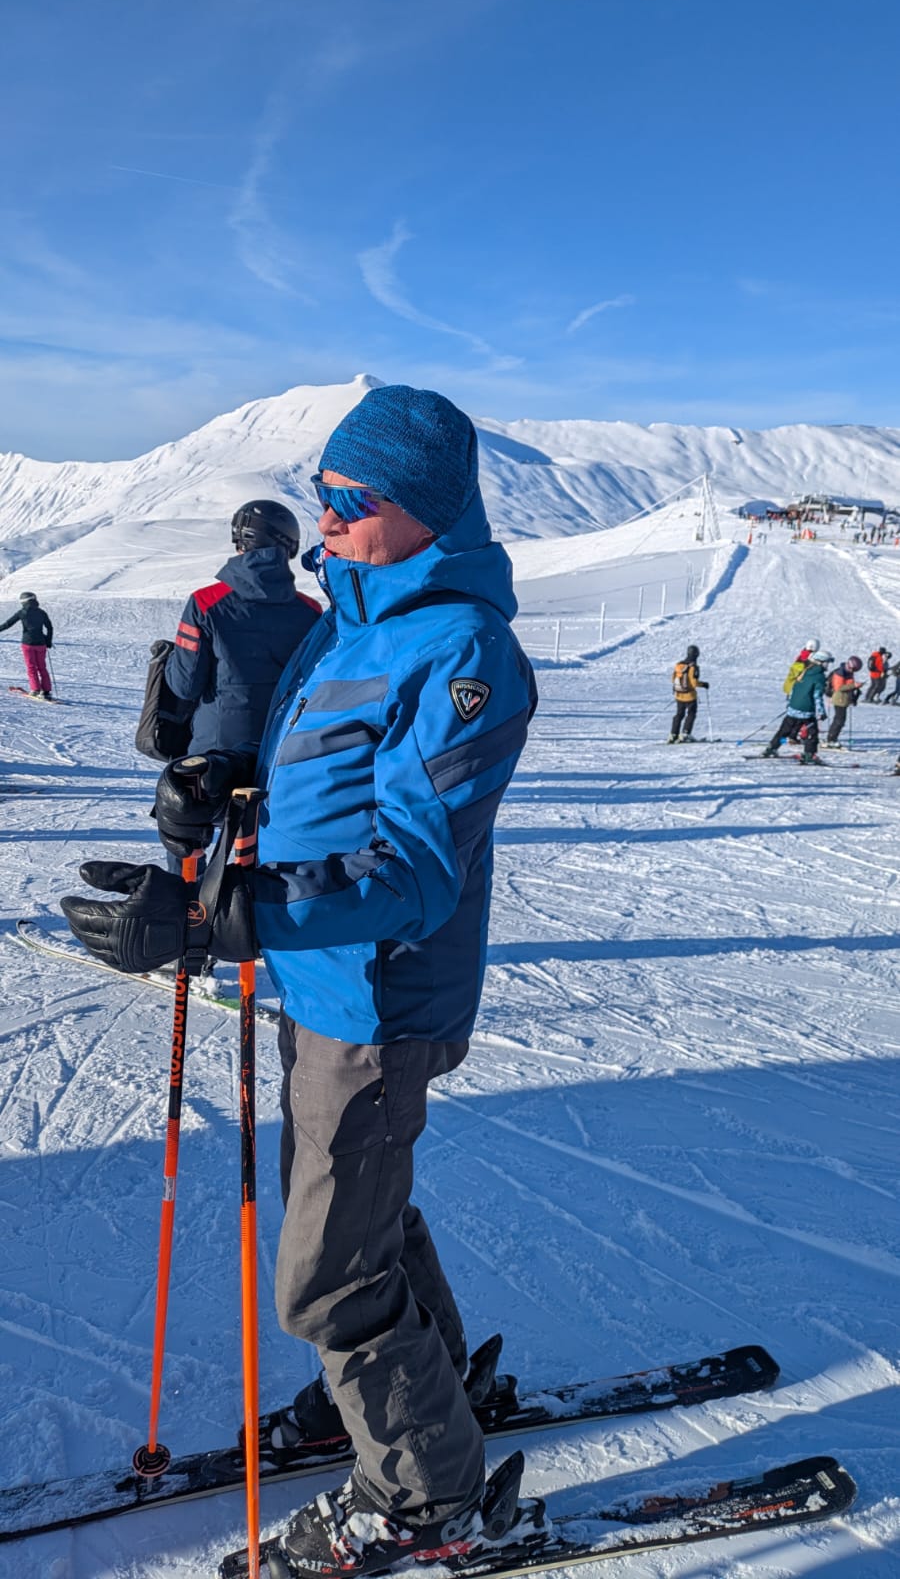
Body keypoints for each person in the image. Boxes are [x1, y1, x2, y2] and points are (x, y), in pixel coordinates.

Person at [60, 385, 539, 1576]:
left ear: (427, 510)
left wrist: (220, 918)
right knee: (360, 1217)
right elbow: (309, 773)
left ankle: (428, 1496)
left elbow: (413, 872)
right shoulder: (349, 618)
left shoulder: (464, 650)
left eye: (351, 497)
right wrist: (218, 786)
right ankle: (420, 1388)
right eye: (320, 490)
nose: (323, 516)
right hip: (319, 980)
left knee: (326, 1280)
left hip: (380, 998)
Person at [164, 500, 322, 753]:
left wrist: (169, 658)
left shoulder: (205, 603)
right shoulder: (310, 611)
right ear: (289, 545)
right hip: (283, 748)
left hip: (217, 751)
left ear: (240, 540)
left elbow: (185, 685)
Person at [763, 649, 831, 761]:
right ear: (821, 662)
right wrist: (821, 712)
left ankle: (771, 748)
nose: (827, 665)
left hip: (793, 709)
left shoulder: (804, 671)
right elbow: (817, 696)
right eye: (827, 662)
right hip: (806, 710)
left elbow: (794, 689)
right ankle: (809, 754)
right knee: (812, 733)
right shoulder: (819, 677)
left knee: (784, 731)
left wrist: (791, 704)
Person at [0, 591, 54, 698]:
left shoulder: (22, 612)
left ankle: (35, 690)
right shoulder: (41, 612)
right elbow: (49, 627)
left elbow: (8, 624)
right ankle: (46, 691)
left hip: (28, 644)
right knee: (42, 667)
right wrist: (48, 641)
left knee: (31, 667)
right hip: (41, 644)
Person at [668, 645, 708, 743]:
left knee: (679, 714)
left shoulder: (679, 665)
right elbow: (694, 683)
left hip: (679, 694)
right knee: (691, 714)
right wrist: (703, 684)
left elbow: (673, 679)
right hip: (690, 696)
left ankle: (673, 734)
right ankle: (685, 734)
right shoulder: (693, 667)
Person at [824, 656, 862, 746]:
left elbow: (848, 684)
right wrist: (854, 686)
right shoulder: (840, 673)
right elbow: (839, 687)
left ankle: (832, 738)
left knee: (841, 720)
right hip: (839, 699)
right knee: (839, 720)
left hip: (844, 699)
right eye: (853, 669)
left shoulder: (848, 672)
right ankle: (831, 739)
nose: (853, 671)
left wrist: (854, 694)